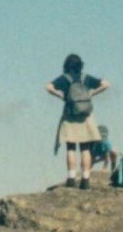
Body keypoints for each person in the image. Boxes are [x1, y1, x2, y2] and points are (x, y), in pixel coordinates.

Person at [46, 54, 112, 189]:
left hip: (70, 115)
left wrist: (60, 95)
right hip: (86, 115)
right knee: (85, 148)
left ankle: (71, 178)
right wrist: (92, 93)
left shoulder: (64, 79)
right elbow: (106, 84)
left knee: (70, 148)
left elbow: (48, 87)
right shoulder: (85, 78)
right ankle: (85, 179)